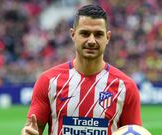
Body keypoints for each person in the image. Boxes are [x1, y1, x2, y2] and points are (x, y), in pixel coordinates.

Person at [21, 4, 142, 135]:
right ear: (73, 34)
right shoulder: (48, 81)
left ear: (107, 37)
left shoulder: (126, 87)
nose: (91, 40)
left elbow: (134, 132)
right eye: (84, 33)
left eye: (98, 34)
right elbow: (32, 129)